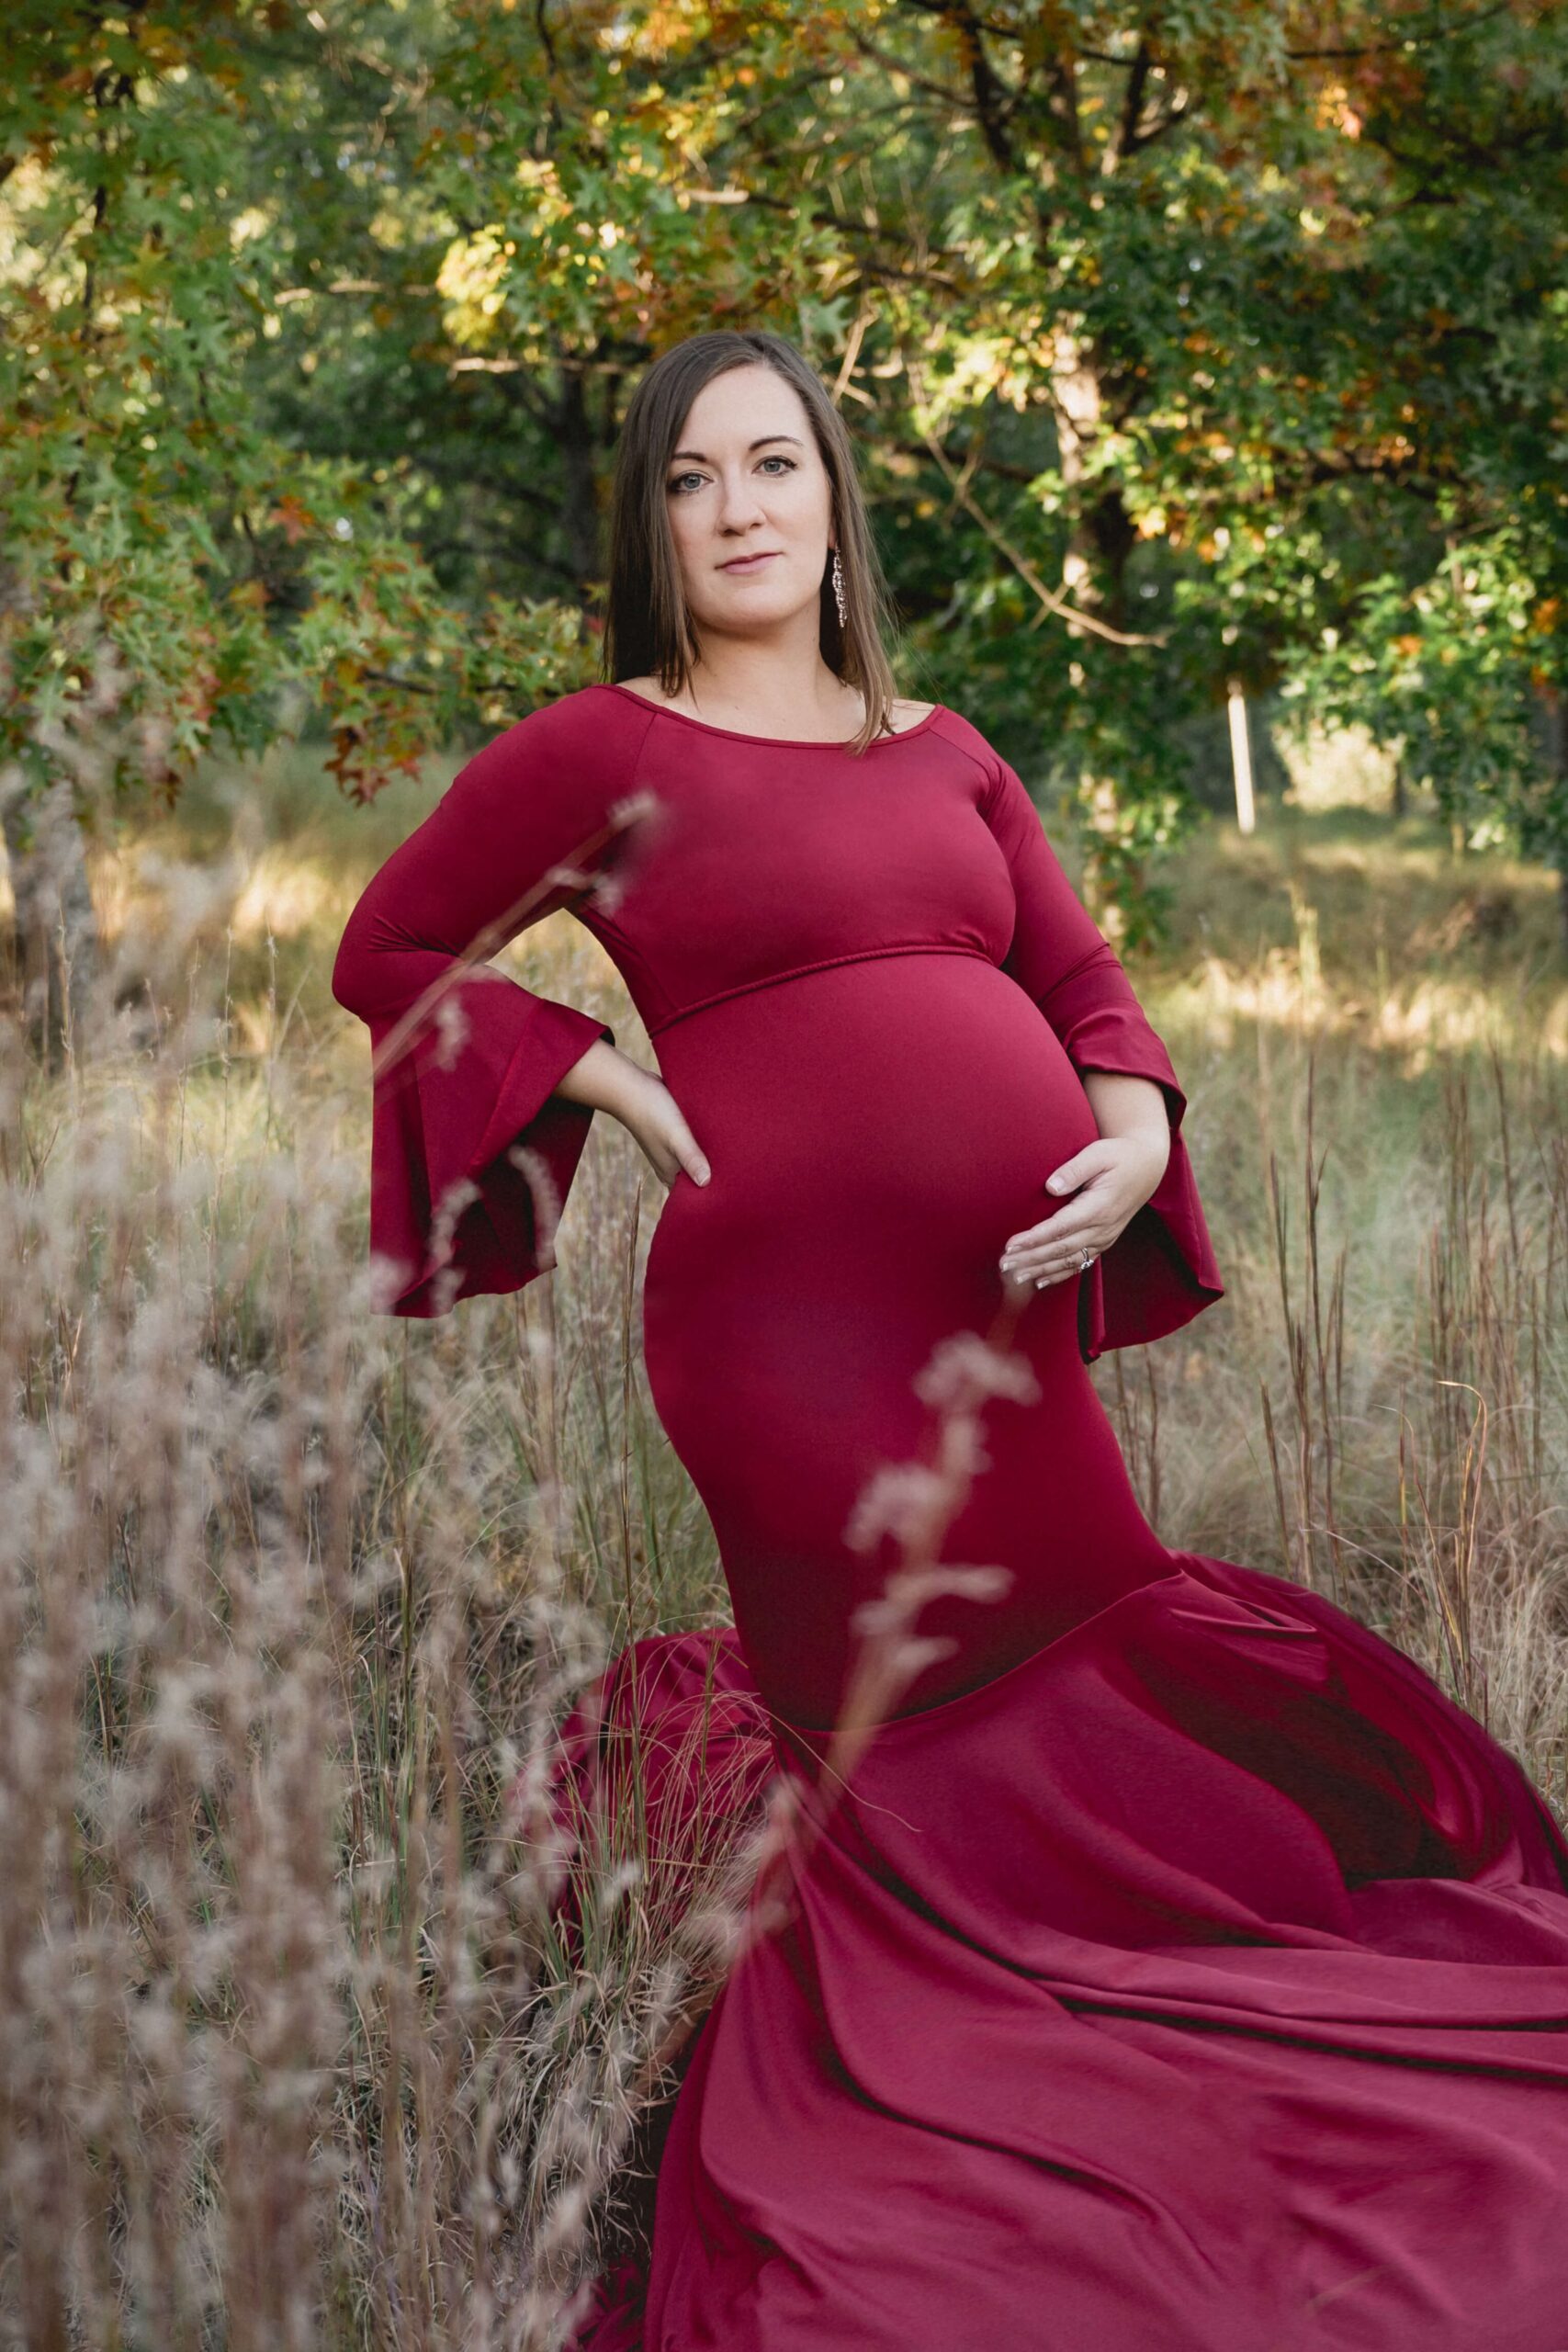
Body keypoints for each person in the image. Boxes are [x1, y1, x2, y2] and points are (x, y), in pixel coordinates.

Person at [332, 329, 1568, 2351]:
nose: (738, 510)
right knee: (905, 1723)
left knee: (1104, 1622)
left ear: (833, 496)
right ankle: (980, 2058)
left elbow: (1080, 971)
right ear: (653, 524)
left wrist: (1130, 1121)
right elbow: (380, 948)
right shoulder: (598, 750)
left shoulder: (943, 744)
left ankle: (1153, 1990)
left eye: (773, 467)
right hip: (782, 1346)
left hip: (995, 1336)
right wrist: (594, 1074)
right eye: (692, 481)